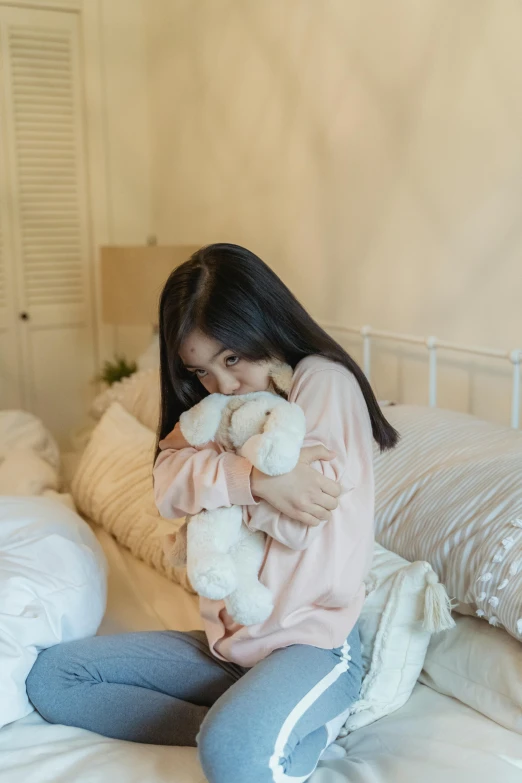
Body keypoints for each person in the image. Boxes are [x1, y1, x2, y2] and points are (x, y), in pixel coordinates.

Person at [27, 244, 398, 783]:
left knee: (232, 755)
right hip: (231, 647)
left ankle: (252, 726)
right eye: (201, 372)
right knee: (56, 677)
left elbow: (299, 519)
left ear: (264, 326)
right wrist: (254, 479)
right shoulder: (225, 410)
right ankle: (237, 717)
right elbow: (165, 487)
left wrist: (218, 475)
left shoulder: (322, 381)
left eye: (232, 359)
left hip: (311, 645)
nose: (223, 386)